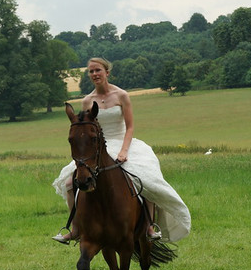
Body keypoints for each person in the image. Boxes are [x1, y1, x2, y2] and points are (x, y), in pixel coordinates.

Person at [52, 57, 191, 244]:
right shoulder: (87, 101)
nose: (94, 74)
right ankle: (76, 228)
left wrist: (124, 151)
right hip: (98, 148)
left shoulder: (121, 95)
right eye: (91, 71)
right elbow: (86, 131)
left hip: (123, 142)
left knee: (145, 177)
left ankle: (150, 226)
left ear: (107, 72)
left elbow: (130, 126)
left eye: (98, 70)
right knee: (70, 182)